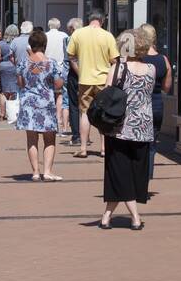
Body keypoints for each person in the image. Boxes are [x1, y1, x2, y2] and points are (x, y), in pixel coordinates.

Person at [99, 31, 155, 230]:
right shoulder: (151, 68)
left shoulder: (117, 68)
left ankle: (135, 217)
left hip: (120, 127)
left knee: (119, 172)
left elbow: (106, 94)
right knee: (127, 172)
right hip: (144, 128)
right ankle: (106, 215)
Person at [67, 10, 118, 158]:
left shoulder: (78, 34)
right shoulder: (108, 36)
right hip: (104, 80)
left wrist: (80, 71)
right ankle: (103, 148)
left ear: (89, 20)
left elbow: (71, 56)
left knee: (84, 112)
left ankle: (83, 148)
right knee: (104, 113)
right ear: (102, 21)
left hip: (85, 79)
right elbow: (114, 59)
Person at [15, 29, 64, 181]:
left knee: (31, 139)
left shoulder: (24, 63)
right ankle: (47, 171)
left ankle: (35, 172)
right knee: (49, 139)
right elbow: (58, 84)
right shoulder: (52, 63)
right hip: (46, 103)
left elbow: (20, 83)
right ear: (44, 44)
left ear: (31, 44)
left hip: (28, 103)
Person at [136, 23, 171, 181]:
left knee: (137, 143)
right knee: (151, 145)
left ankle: (137, 177)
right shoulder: (163, 60)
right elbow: (166, 87)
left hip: (139, 105)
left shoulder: (138, 59)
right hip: (156, 105)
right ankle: (147, 177)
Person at [62, 17, 82, 143]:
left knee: (74, 105)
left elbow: (70, 57)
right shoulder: (88, 38)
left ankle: (76, 135)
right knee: (85, 107)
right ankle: (85, 135)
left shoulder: (69, 39)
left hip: (74, 73)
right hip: (89, 73)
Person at [0, 24, 20, 121]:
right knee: (13, 91)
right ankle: (11, 113)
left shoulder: (1, 44)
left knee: (3, 92)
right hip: (14, 66)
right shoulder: (16, 43)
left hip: (3, 66)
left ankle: (2, 113)